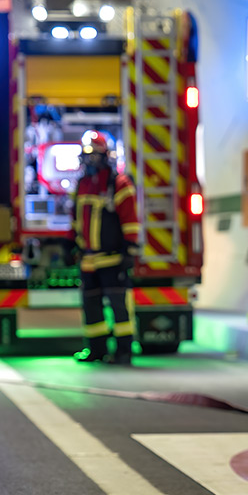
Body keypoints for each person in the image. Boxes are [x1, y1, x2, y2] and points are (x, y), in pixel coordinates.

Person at [71, 130, 140, 365]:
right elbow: (77, 218)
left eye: (94, 155)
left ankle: (123, 352)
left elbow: (130, 219)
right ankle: (96, 350)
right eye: (86, 155)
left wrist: (130, 249)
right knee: (91, 309)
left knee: (120, 309)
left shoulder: (118, 184)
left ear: (105, 156)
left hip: (112, 258)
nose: (90, 160)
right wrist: (73, 244)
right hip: (89, 260)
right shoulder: (82, 184)